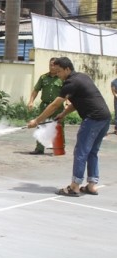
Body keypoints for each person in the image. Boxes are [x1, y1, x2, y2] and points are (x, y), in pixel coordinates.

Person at [28, 57, 111, 197]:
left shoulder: (70, 83)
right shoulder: (82, 77)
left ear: (67, 69)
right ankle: (91, 185)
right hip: (105, 118)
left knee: (81, 152)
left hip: (92, 119)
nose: (58, 74)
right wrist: (64, 113)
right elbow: (79, 101)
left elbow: (54, 105)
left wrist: (36, 121)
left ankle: (74, 186)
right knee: (92, 152)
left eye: (59, 71)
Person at [27, 57, 64, 154]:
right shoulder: (43, 78)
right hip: (45, 106)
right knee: (41, 125)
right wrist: (31, 101)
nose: (51, 67)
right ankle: (39, 148)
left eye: (54, 65)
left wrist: (68, 102)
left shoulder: (62, 78)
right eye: (50, 65)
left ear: (57, 66)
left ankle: (58, 148)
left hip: (58, 107)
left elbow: (67, 92)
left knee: (58, 126)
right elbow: (35, 90)